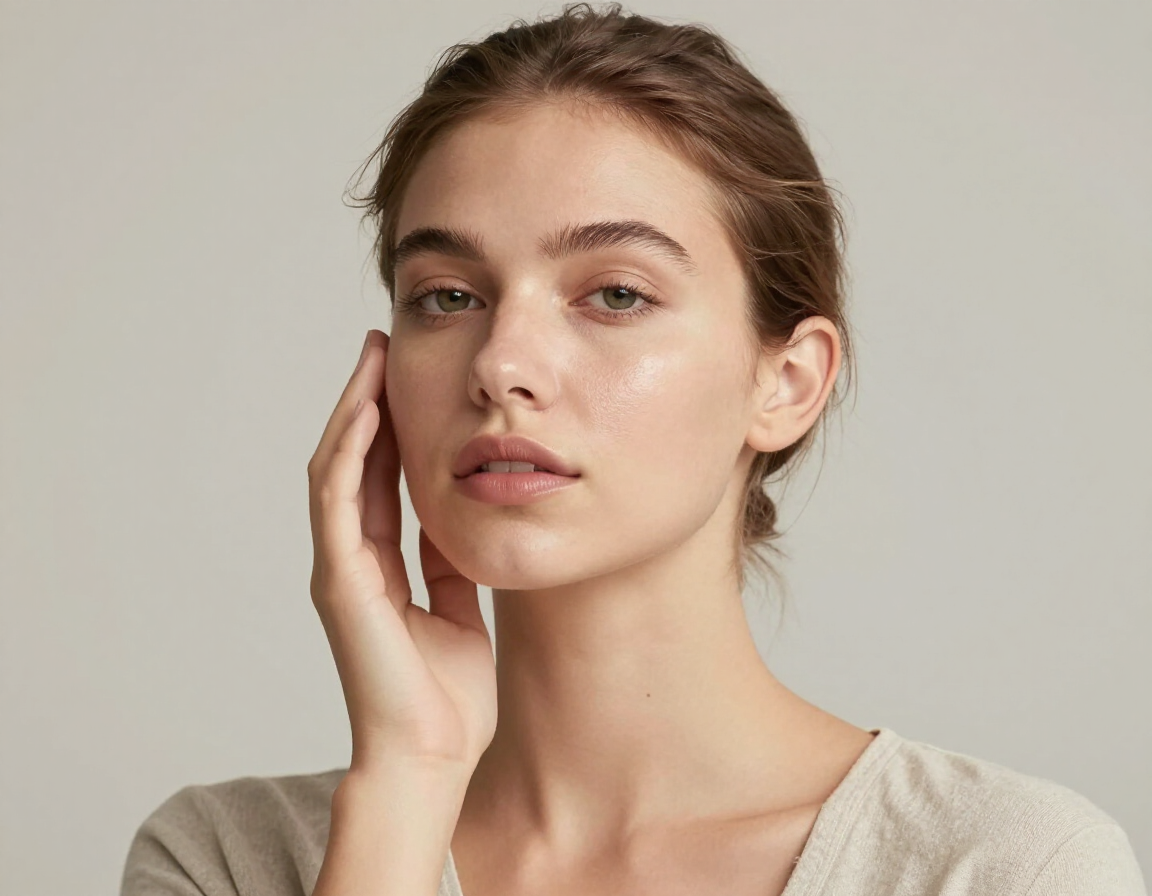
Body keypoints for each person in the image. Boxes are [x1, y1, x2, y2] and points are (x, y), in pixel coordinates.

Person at [119, 4, 1147, 895]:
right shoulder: (229, 860)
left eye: (616, 293)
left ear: (784, 381)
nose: (502, 363)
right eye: (448, 296)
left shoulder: (1006, 865)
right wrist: (408, 777)